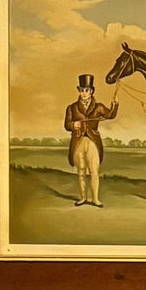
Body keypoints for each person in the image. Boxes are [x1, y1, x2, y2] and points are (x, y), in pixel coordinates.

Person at [64, 73, 118, 207]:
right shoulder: (71, 107)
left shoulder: (99, 107)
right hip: (78, 141)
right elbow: (66, 125)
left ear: (91, 91)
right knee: (81, 171)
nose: (84, 93)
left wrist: (115, 104)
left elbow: (110, 115)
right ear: (79, 90)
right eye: (81, 90)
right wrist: (73, 125)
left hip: (93, 141)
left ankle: (95, 199)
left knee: (94, 171)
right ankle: (83, 198)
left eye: (86, 90)